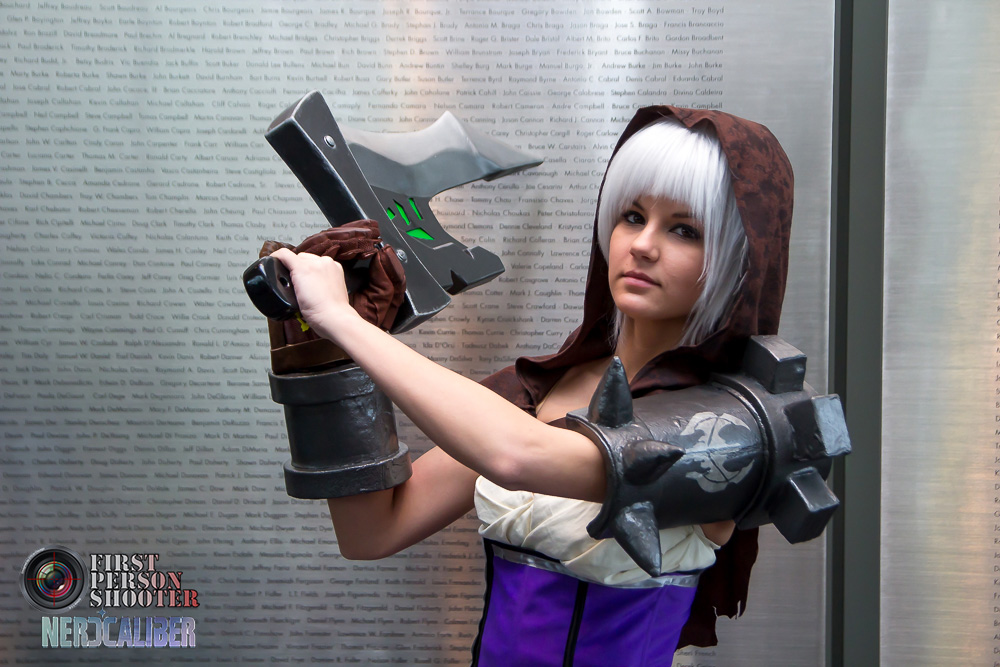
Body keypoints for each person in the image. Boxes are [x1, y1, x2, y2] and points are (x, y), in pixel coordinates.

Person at [271, 105, 794, 665]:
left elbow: (519, 457)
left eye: (684, 229)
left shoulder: (730, 429)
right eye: (633, 216)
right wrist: (328, 360)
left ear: (739, 260)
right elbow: (371, 531)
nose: (643, 244)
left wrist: (345, 325)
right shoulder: (535, 392)